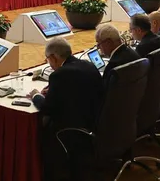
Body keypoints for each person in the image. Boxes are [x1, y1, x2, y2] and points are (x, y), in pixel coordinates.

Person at [27, 38, 103, 178]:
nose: (49, 63)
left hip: (72, 129)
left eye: (48, 59)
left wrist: (35, 95)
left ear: (53, 57)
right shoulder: (88, 65)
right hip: (95, 122)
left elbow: (47, 108)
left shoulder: (59, 75)